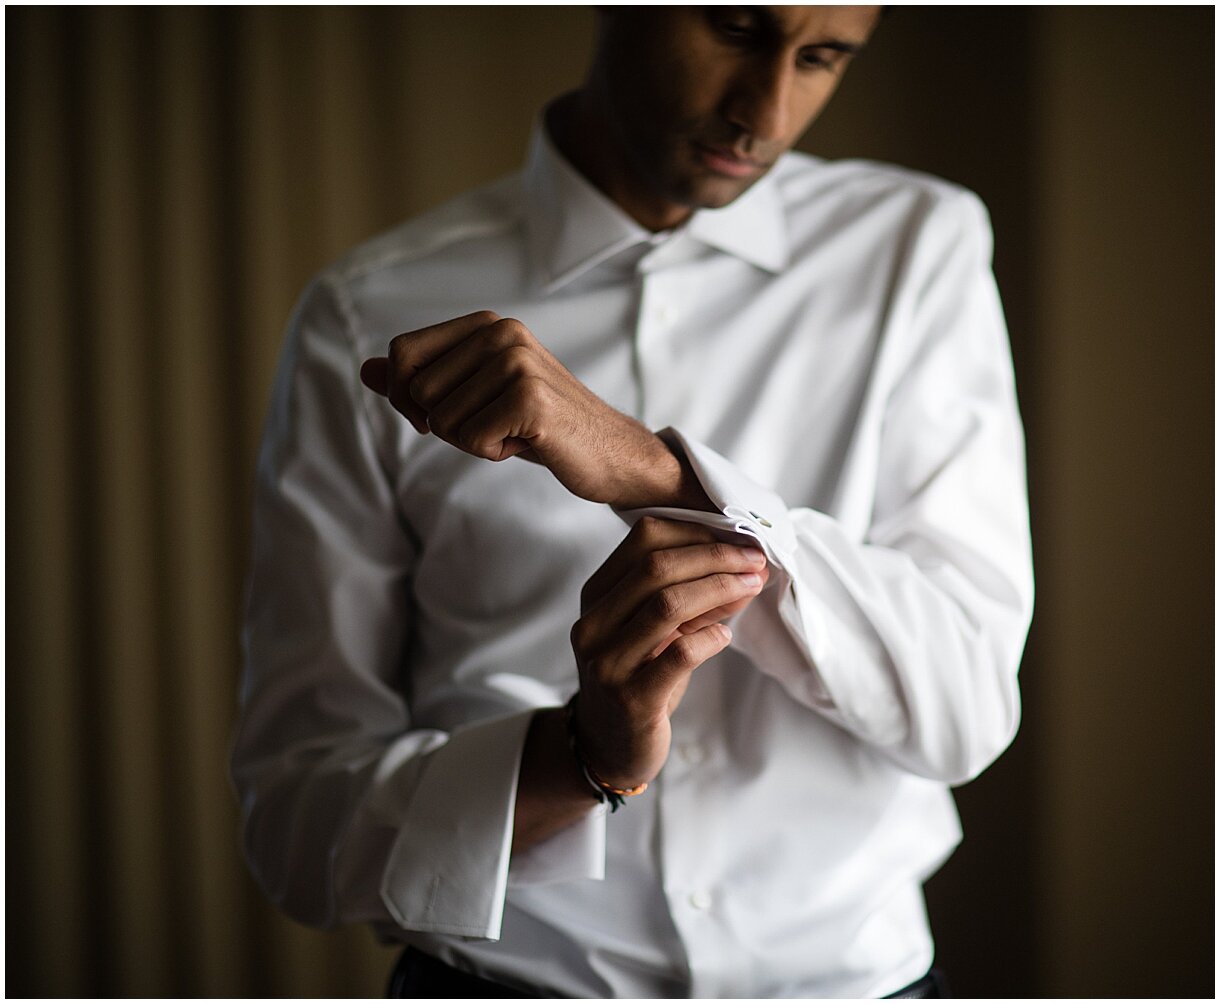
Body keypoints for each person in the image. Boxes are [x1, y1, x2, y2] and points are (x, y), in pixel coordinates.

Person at [232, 6, 1033, 998]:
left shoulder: (917, 246)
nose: (766, 113)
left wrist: (662, 479)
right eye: (737, 29)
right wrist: (579, 758)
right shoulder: (368, 312)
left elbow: (965, 712)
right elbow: (297, 825)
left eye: (821, 57)